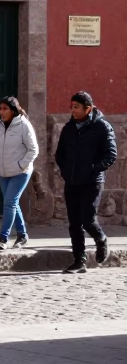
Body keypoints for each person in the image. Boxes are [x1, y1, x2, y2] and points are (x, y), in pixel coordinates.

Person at [54, 91, 117, 274]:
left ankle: (101, 239)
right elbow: (60, 154)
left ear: (87, 109)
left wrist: (93, 168)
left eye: (76, 107)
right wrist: (65, 170)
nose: (72, 110)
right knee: (74, 222)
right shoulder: (69, 128)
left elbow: (111, 154)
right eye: (71, 106)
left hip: (92, 181)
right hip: (72, 181)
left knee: (87, 219)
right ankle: (79, 260)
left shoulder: (102, 127)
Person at [0, 96, 39, 251]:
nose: (1, 112)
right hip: (2, 172)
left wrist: (21, 165)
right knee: (12, 203)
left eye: (5, 109)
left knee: (9, 202)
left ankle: (3, 237)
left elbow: (33, 150)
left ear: (13, 110)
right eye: (0, 108)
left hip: (21, 172)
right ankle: (22, 235)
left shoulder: (24, 125)